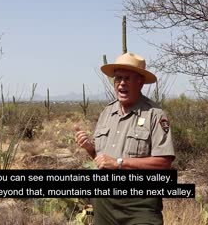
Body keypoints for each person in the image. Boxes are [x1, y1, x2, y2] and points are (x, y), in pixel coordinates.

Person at [74, 52, 175, 225]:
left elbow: (164, 162)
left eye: (127, 78)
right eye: (118, 78)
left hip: (140, 205)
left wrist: (120, 163)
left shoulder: (154, 114)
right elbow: (103, 161)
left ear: (140, 82)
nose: (121, 83)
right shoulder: (107, 112)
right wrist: (90, 148)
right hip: (104, 203)